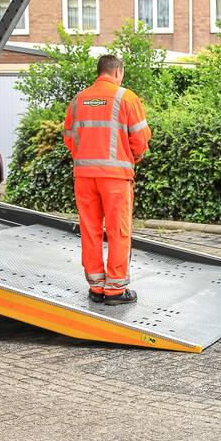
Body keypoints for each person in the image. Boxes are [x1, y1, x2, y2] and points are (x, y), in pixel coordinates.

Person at [63, 55, 151, 306]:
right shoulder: (127, 98)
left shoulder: (77, 101)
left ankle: (95, 287)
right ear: (118, 72)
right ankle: (115, 289)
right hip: (115, 178)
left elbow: (69, 138)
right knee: (118, 231)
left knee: (90, 230)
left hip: (84, 176)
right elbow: (140, 140)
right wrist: (132, 158)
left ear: (99, 72)